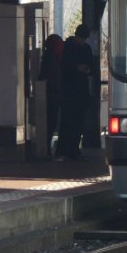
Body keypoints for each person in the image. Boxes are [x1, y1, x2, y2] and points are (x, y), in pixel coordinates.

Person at [56, 24, 93, 160]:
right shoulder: (67, 47)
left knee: (78, 123)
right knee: (67, 122)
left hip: (79, 91)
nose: (82, 41)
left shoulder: (85, 48)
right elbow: (63, 67)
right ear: (76, 35)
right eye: (81, 38)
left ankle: (73, 150)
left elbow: (92, 66)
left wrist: (86, 69)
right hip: (69, 90)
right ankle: (63, 151)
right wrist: (77, 68)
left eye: (84, 39)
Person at [38, 33, 64, 157]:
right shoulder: (52, 58)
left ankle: (47, 148)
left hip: (50, 94)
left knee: (51, 123)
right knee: (50, 123)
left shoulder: (49, 57)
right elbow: (52, 78)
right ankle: (46, 149)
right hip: (51, 95)